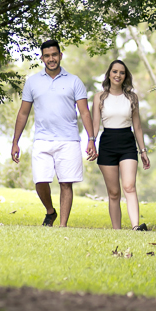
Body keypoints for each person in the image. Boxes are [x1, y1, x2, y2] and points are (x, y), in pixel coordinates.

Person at [11, 40, 97, 227]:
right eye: (47, 56)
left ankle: (62, 226)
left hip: (69, 140)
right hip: (42, 139)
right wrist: (15, 142)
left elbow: (84, 112)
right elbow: (23, 113)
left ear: (60, 56)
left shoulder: (74, 81)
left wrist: (91, 139)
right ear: (42, 58)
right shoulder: (33, 82)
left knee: (66, 183)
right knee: (40, 181)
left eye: (54, 55)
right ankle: (50, 211)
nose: (51, 59)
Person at [90, 60, 150, 230]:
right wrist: (91, 143)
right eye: (115, 71)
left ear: (125, 76)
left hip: (127, 143)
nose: (118, 75)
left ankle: (136, 227)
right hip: (107, 143)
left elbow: (137, 126)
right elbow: (95, 124)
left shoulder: (132, 97)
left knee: (129, 186)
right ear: (109, 74)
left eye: (122, 72)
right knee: (114, 193)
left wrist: (143, 151)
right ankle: (117, 231)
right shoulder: (99, 97)